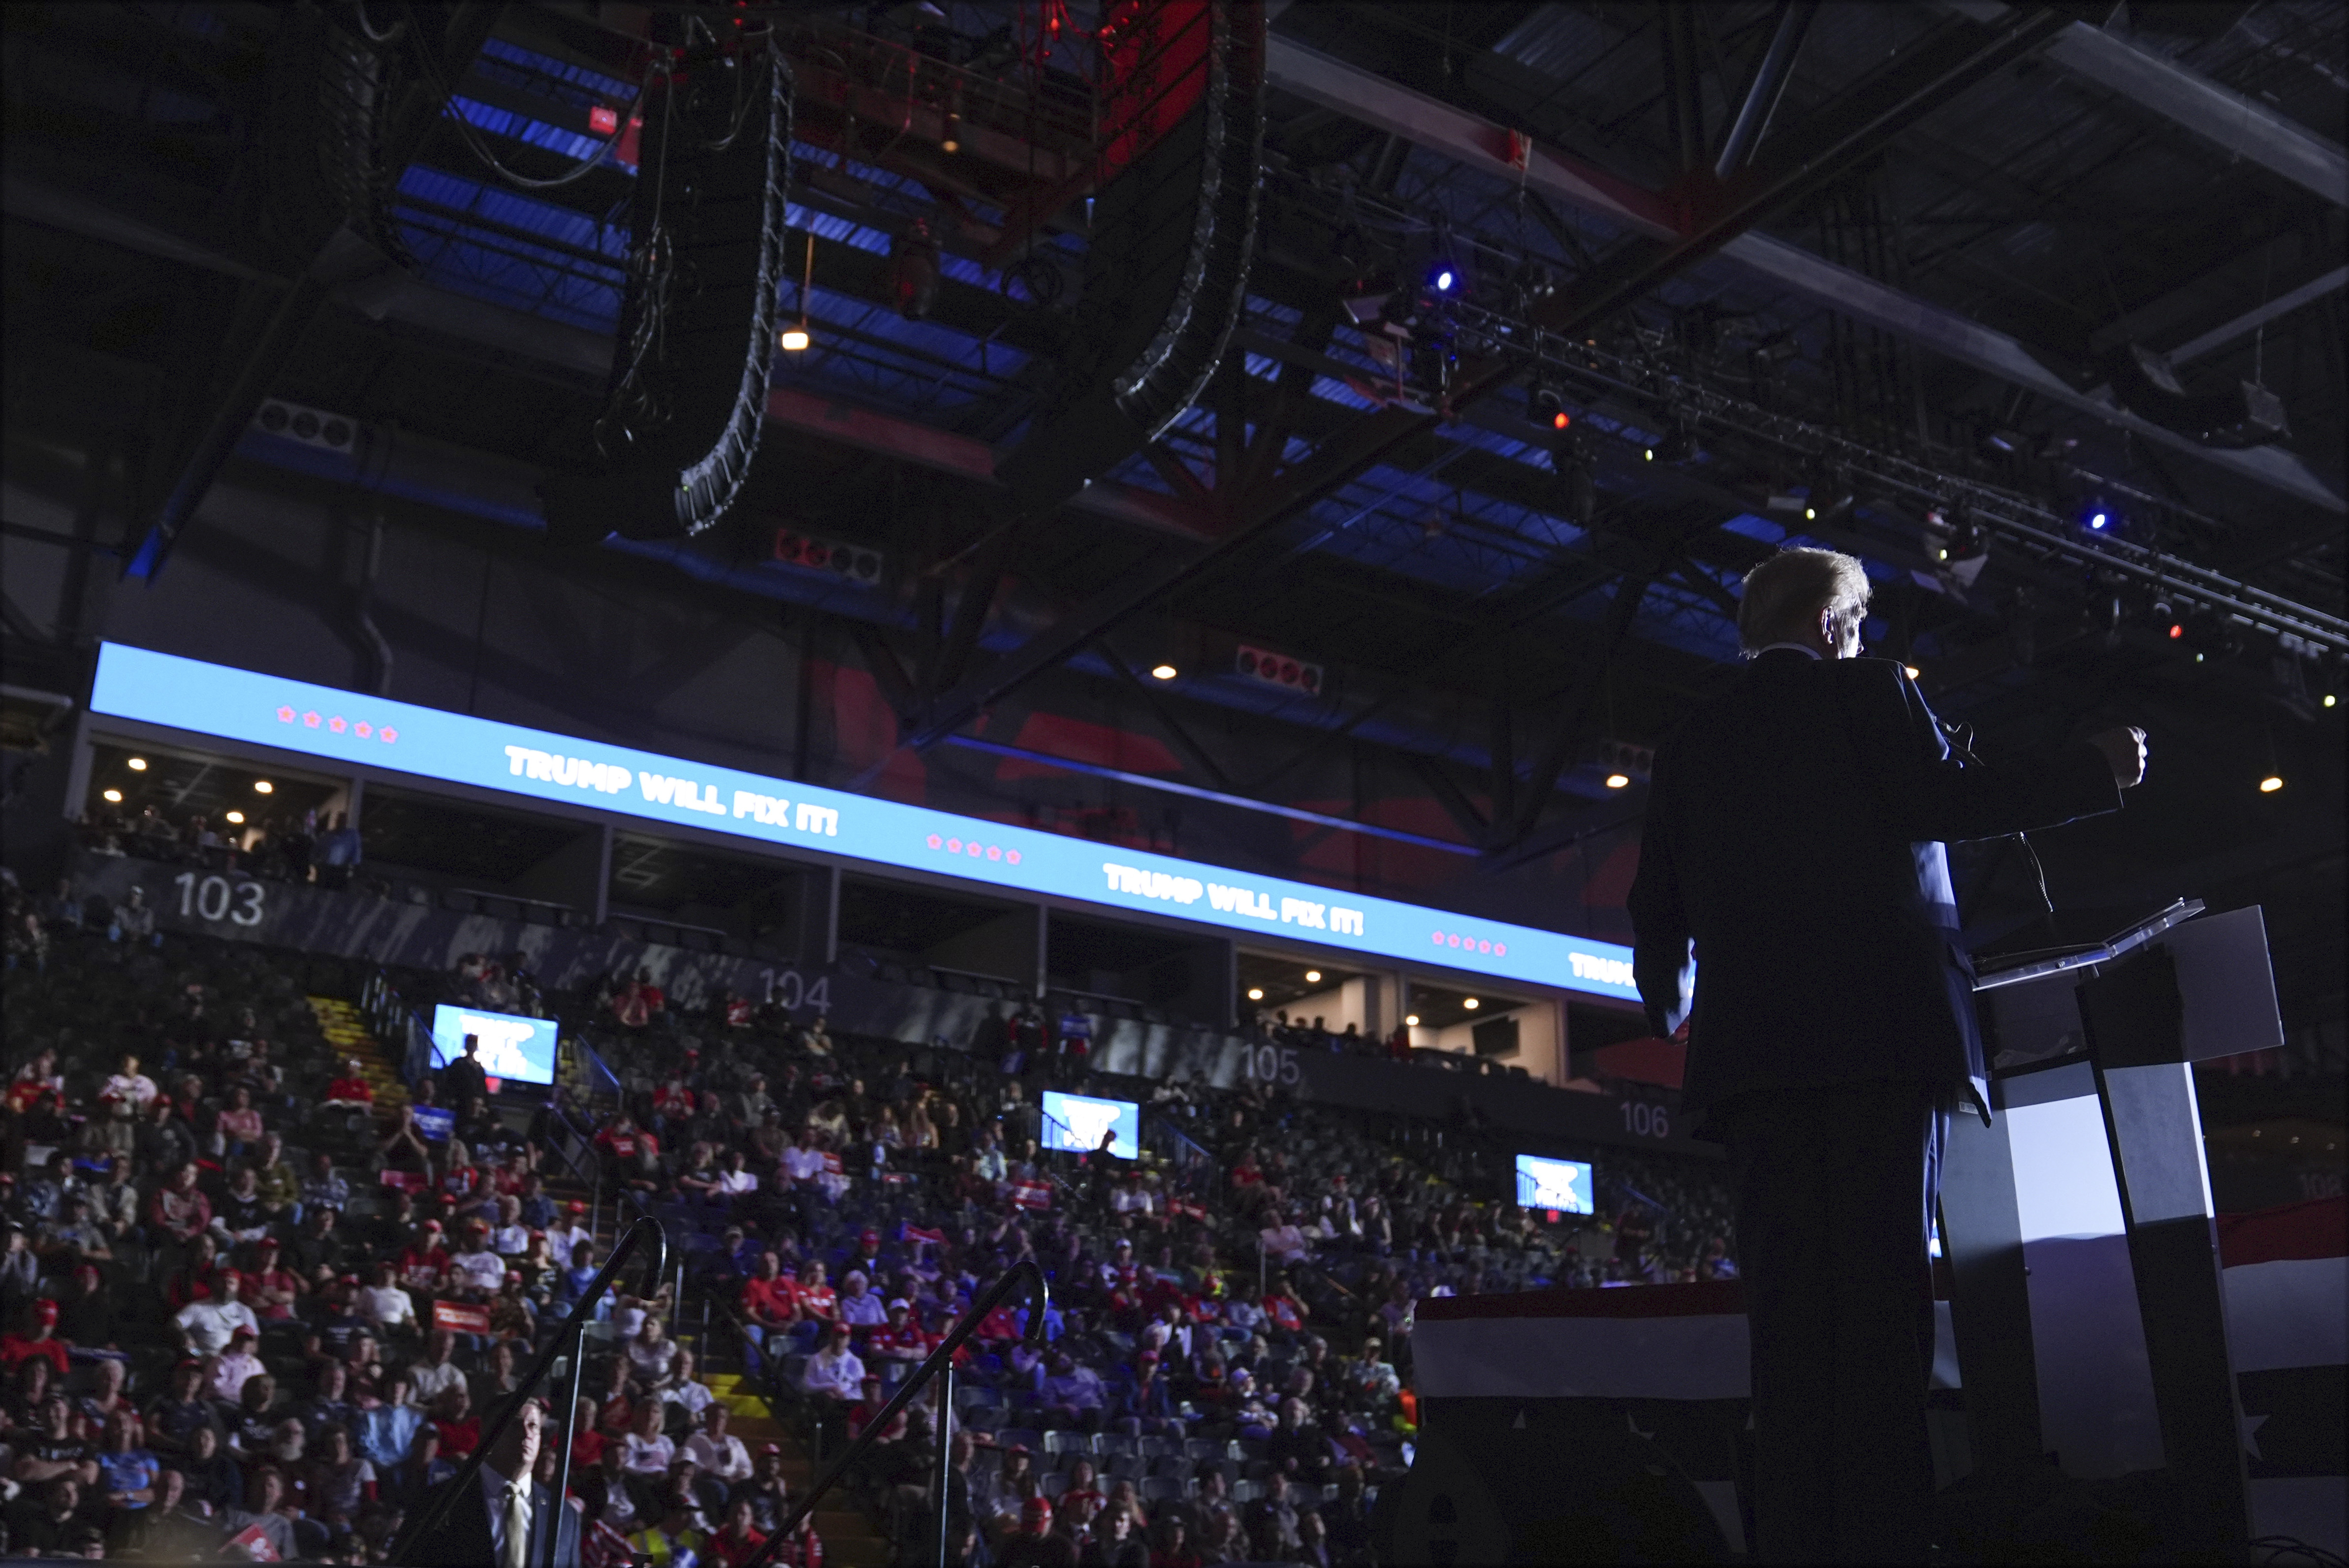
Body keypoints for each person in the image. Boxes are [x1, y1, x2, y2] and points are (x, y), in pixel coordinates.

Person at [1626, 546, 2144, 1565]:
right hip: (1879, 1039)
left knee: (1786, 1318)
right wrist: (2093, 770)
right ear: (1831, 626)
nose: (1860, 642)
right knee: (1878, 1306)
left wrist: (1668, 992)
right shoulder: (1865, 691)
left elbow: (1655, 895)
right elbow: (1943, 801)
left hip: (1752, 1061)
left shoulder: (1692, 735)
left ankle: (1798, 1543)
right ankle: (1883, 1541)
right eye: (1857, 625)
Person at [399, 1394, 579, 1566]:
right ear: (487, 1433)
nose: (526, 1434)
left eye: (533, 1426)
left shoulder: (564, 1516)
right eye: (515, 1424)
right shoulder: (438, 1503)